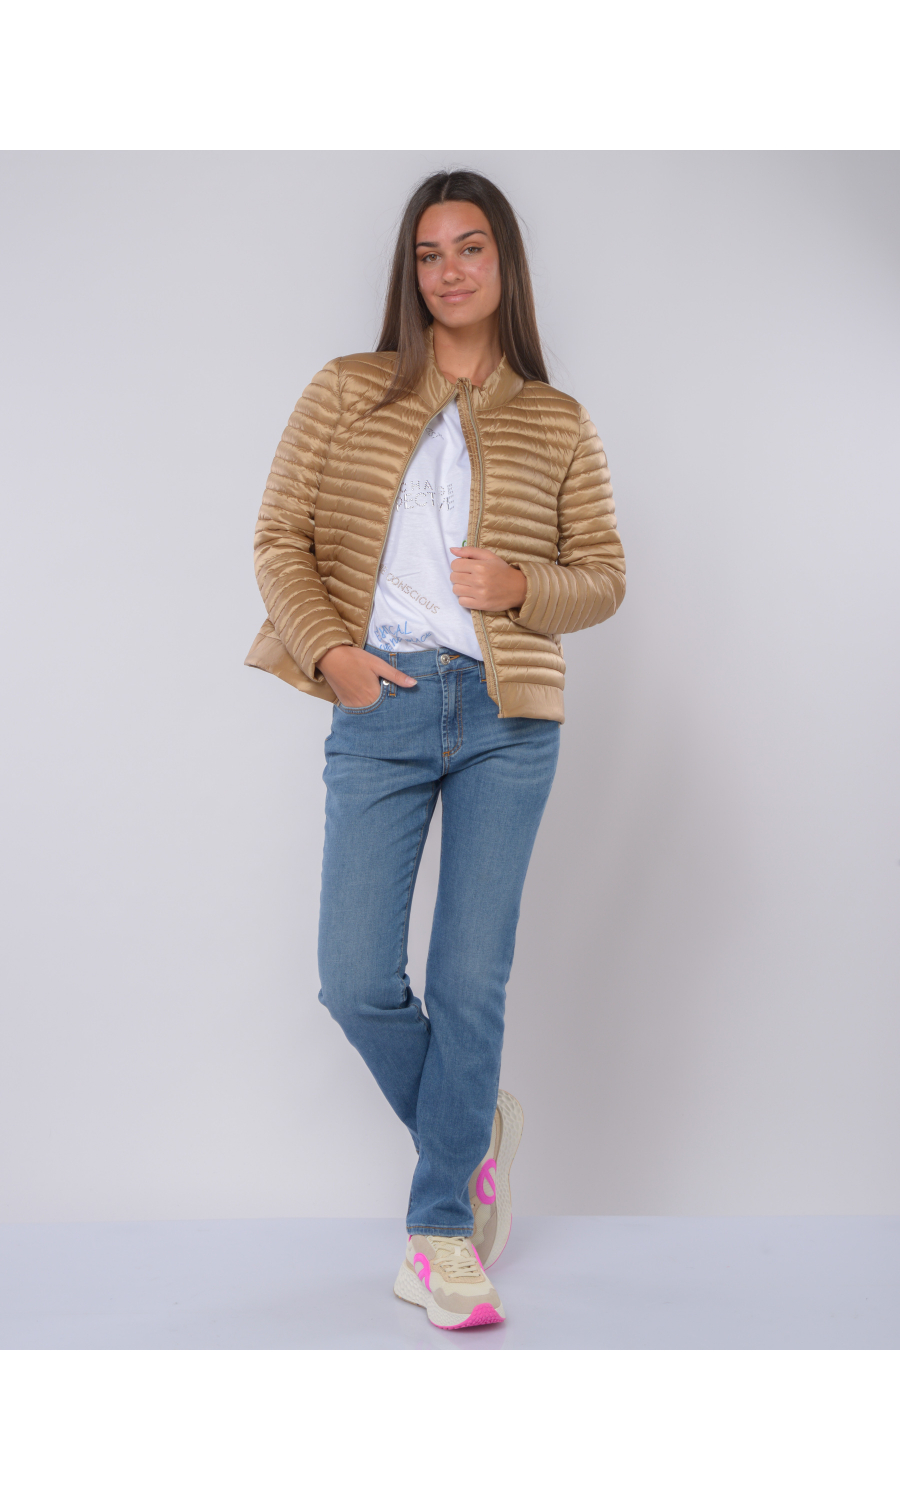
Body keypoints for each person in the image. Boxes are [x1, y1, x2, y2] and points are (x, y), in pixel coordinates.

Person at [245, 169, 626, 1330]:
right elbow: (279, 537)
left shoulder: (556, 418)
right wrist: (334, 656)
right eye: (428, 253)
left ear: (505, 263)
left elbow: (604, 576)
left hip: (509, 722)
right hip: (383, 704)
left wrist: (521, 586)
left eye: (469, 248)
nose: (449, 270)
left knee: (469, 981)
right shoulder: (346, 390)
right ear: (409, 274)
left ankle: (441, 1235)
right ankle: (471, 1130)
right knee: (354, 978)